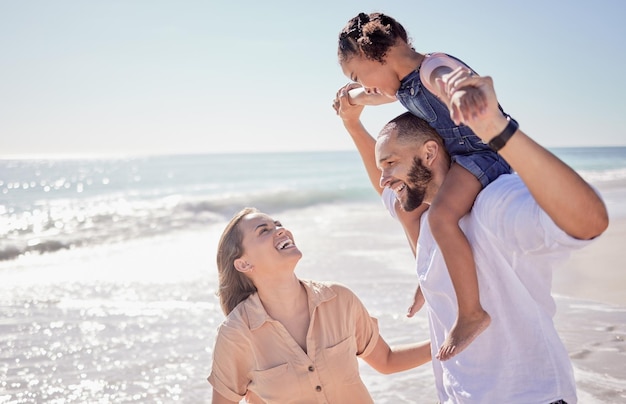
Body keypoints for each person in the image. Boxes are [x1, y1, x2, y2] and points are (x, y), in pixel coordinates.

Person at [333, 71, 608, 402]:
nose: (385, 179)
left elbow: (589, 221)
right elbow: (384, 184)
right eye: (383, 168)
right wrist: (352, 124)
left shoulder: (492, 202)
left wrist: (498, 130)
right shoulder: (422, 212)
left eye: (391, 163)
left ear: (430, 153)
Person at [337, 12, 515, 360]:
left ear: (376, 53)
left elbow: (452, 78)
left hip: (485, 153)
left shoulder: (432, 68)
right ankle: (430, 277)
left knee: (441, 218)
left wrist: (462, 92)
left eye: (357, 74)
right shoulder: (403, 86)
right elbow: (373, 94)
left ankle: (472, 313)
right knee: (414, 209)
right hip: (461, 157)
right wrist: (351, 98)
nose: (363, 84)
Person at [207, 207, 431, 403]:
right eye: (264, 230)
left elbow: (386, 360)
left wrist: (455, 339)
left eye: (278, 224)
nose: (280, 230)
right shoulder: (236, 334)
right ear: (244, 263)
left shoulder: (339, 300)